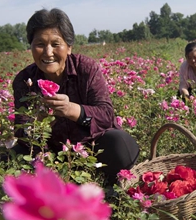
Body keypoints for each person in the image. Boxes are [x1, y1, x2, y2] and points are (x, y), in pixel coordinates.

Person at [12, 8, 139, 186]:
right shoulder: (25, 81)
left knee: (119, 144)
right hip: (50, 154)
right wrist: (37, 123)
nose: (48, 52)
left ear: (69, 47)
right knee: (9, 157)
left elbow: (106, 114)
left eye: (56, 44)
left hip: (92, 149)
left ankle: (112, 189)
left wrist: (72, 110)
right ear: (31, 46)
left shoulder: (86, 69)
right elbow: (20, 129)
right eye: (40, 44)